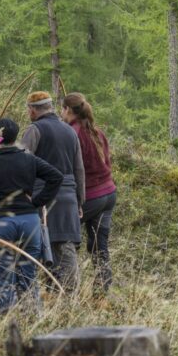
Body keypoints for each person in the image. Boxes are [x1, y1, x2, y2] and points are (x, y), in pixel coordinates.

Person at [0, 117, 64, 311]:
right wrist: (36, 202)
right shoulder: (29, 159)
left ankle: (8, 322)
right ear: (16, 136)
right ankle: (33, 317)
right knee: (28, 275)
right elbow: (56, 176)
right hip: (29, 222)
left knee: (2, 277)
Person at [19, 90, 85, 290]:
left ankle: (44, 293)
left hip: (43, 196)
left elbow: (22, 164)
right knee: (65, 247)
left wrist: (21, 196)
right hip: (69, 198)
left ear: (32, 110)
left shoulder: (34, 130)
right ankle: (69, 295)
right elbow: (79, 169)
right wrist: (80, 201)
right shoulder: (70, 131)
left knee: (38, 247)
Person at [62, 92, 117, 294]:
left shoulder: (72, 134)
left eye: (62, 109)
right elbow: (107, 163)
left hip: (90, 197)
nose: (61, 113)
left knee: (66, 241)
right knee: (99, 247)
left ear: (68, 110)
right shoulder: (97, 132)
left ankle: (66, 289)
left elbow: (70, 168)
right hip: (109, 194)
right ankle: (103, 292)